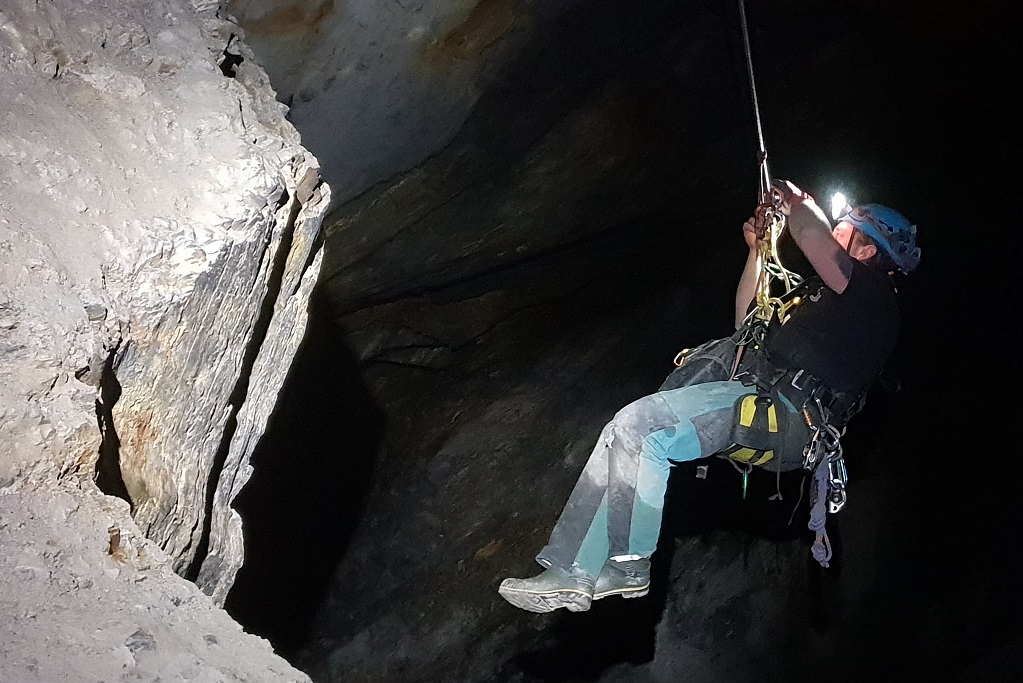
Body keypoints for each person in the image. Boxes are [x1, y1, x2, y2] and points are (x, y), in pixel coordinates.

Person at [498, 180, 921, 613]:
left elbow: (814, 240)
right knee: (622, 433)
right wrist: (757, 252)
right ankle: (575, 571)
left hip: (789, 417)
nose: (834, 232)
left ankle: (626, 564)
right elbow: (745, 333)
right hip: (756, 399)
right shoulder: (821, 305)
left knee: (642, 428)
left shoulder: (874, 301)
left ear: (869, 250)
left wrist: (798, 203)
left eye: (846, 229)